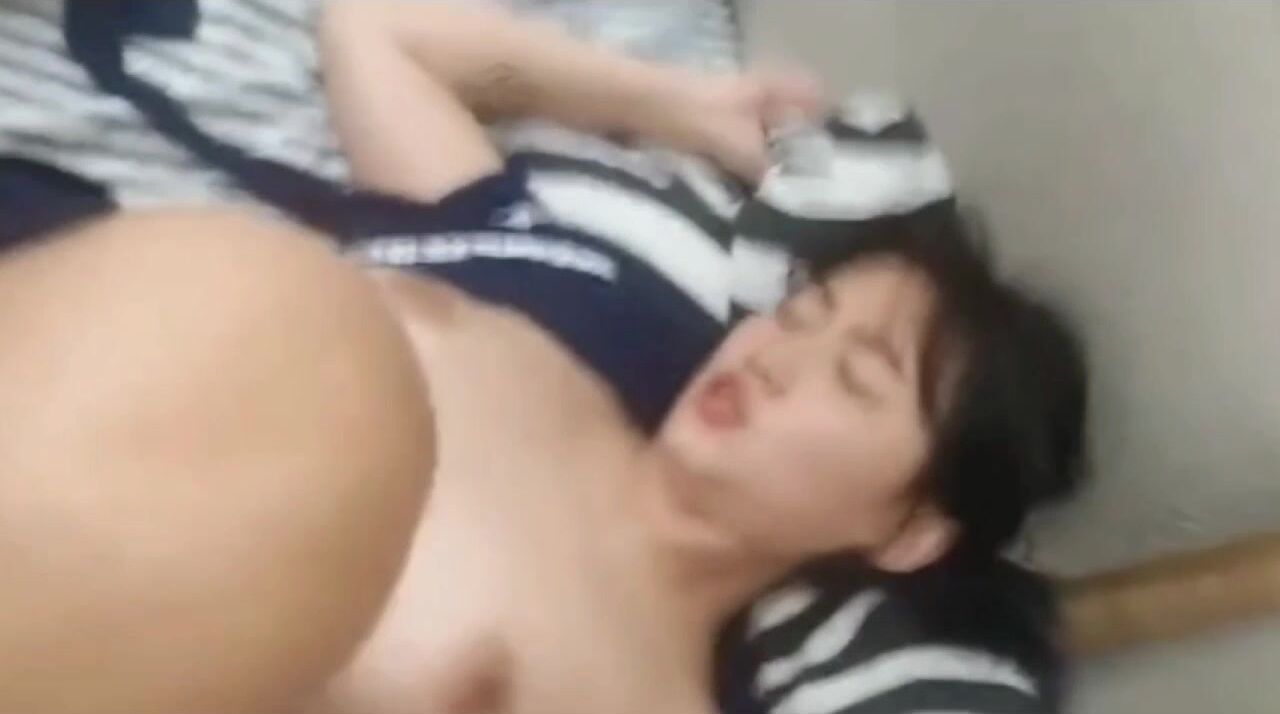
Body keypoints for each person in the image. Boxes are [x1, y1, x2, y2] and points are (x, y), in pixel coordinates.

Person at [0, 3, 1086, 713]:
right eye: (801, 316)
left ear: (907, 531)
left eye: (854, 378)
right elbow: (377, 35)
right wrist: (664, 100)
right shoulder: (571, 285)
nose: (772, 357)